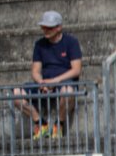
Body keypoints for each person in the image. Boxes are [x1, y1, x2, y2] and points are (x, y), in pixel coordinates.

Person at [11, 11, 83, 140]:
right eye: (44, 27)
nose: (45, 30)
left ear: (59, 27)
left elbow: (76, 70)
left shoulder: (71, 42)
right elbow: (35, 71)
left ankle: (59, 124)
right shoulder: (39, 44)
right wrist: (42, 83)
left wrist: (54, 81)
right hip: (45, 82)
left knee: (68, 91)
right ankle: (40, 122)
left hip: (64, 82)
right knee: (16, 93)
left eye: (49, 27)